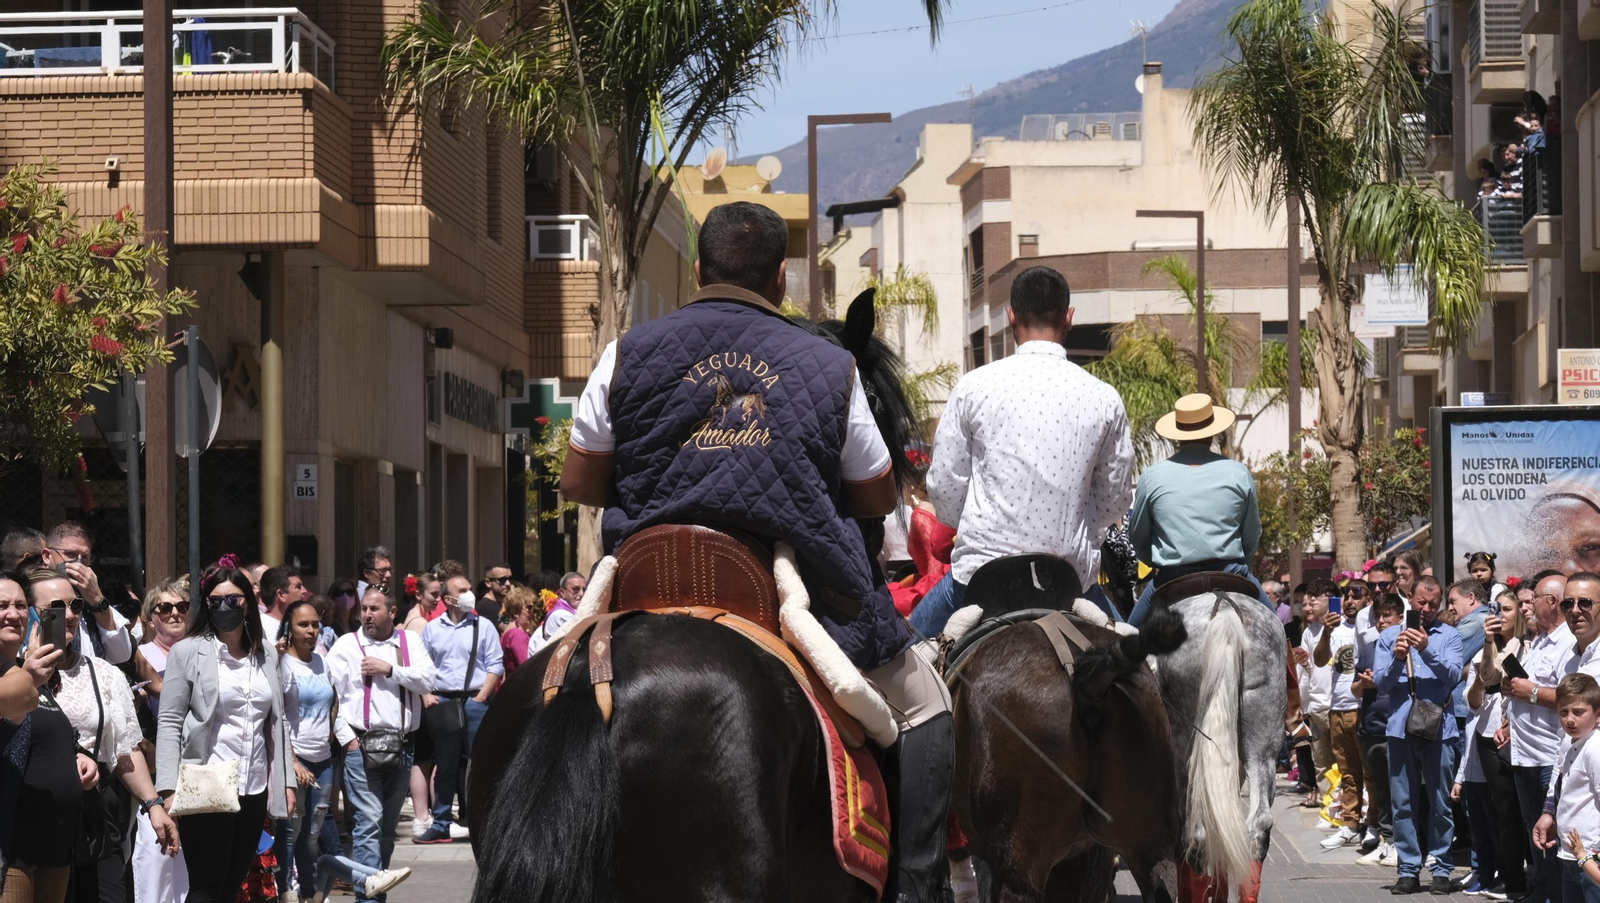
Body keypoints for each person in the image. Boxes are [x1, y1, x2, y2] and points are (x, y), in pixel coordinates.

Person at [559, 201, 955, 902]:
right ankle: (917, 888)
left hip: (645, 581)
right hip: (781, 590)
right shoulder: (830, 366)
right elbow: (872, 492)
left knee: (546, 684)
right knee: (926, 707)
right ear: (779, 279)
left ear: (697, 269)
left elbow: (582, 479)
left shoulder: (628, 350)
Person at [915, 264, 1134, 636]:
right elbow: (1115, 501)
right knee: (1138, 668)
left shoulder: (973, 387)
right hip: (1071, 586)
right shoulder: (1104, 398)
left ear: (1011, 316)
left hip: (977, 585)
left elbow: (946, 494)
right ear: (1068, 318)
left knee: (904, 656)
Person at [24, 567, 180, 903]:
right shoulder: (13, 674)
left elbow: (123, 749)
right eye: (55, 607)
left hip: (96, 819)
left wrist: (153, 804)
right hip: (35, 818)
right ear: (31, 614)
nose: (68, 616)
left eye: (75, 606)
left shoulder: (103, 673)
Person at [156, 564, 296, 903]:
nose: (224, 607)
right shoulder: (188, 652)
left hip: (254, 787)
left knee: (233, 884)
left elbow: (278, 723)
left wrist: (286, 780)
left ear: (248, 603)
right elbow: (170, 720)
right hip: (207, 783)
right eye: (215, 600)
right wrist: (168, 788)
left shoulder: (265, 655)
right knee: (206, 886)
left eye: (233, 599)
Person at [325, 589, 436, 902]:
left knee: (387, 830)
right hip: (361, 746)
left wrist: (390, 670)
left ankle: (376, 889)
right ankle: (367, 899)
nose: (367, 614)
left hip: (402, 746)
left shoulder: (408, 643)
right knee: (368, 824)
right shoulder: (347, 646)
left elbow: (428, 680)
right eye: (364, 609)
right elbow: (331, 697)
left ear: (392, 612)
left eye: (374, 608)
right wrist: (348, 742)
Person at [1126, 393, 1266, 625]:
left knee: (1127, 641)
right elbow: (1252, 535)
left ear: (1176, 436)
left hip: (1173, 577)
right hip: (1230, 572)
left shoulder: (1151, 476)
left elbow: (1138, 537)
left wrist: (1154, 562)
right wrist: (1240, 564)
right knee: (1279, 638)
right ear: (1212, 433)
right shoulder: (1239, 472)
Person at [1375, 574, 1465, 895]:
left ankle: (1440, 867)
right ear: (1409, 600)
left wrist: (1426, 649)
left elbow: (1453, 676)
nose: (1426, 609)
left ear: (1440, 604)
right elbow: (1382, 685)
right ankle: (1409, 869)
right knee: (1403, 804)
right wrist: (1399, 658)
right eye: (1420, 602)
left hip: (1439, 730)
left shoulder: (1450, 636)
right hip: (1400, 730)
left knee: (1440, 801)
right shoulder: (1388, 636)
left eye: (1433, 603)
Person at [0, 569, 74, 903]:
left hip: (53, 846)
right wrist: (28, 678)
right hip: (10, 850)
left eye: (20, 604)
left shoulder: (26, 670)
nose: (13, 614)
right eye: (2, 605)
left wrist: (80, 760)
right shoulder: (24, 676)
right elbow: (16, 710)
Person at [1503, 569, 1573, 903]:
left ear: (1552, 602)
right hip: (1524, 755)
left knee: (1553, 837)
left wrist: (1529, 692)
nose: (1527, 606)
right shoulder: (1539, 640)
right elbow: (1526, 688)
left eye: (1534, 599)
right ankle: (1543, 892)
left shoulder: (1569, 644)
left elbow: (1572, 698)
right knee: (1536, 834)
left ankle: (1556, 895)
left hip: (1549, 756)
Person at [415, 573, 502, 844]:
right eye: (462, 590)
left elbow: (495, 665)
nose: (469, 593)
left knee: (481, 762)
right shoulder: (432, 629)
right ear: (448, 599)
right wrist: (427, 694)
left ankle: (485, 821)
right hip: (444, 701)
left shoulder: (483, 626)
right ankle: (441, 823)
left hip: (475, 700)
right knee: (446, 764)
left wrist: (480, 697)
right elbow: (423, 666)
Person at [129, 579, 192, 903]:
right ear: (150, 616)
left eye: (182, 606)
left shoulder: (199, 649)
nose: (174, 613)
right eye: (164, 608)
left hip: (195, 769)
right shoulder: (142, 654)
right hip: (156, 770)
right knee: (157, 858)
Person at [1473, 588, 1533, 899]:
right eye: (1497, 610)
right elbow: (1486, 678)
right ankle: (1514, 884)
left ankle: (1534, 877)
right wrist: (1487, 642)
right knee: (1505, 812)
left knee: (1529, 812)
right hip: (1491, 736)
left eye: (1508, 609)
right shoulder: (1494, 645)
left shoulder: (1531, 643)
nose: (1501, 616)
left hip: (1525, 735)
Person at [275, 599, 336, 903]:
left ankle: (310, 895)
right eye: (303, 625)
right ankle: (285, 890)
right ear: (289, 627)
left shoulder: (322, 659)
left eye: (315, 624)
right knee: (290, 832)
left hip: (324, 759)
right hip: (295, 760)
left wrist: (332, 734)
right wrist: (292, 761)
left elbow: (333, 698)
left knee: (312, 834)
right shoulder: (283, 664)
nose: (311, 631)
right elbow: (278, 717)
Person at [1533, 674, 1600, 903]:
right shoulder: (1567, 741)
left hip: (1592, 854)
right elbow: (1558, 779)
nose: (1570, 719)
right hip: (1569, 852)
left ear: (1598, 715)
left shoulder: (1595, 748)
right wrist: (1547, 813)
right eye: (1564, 712)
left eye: (1579, 712)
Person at [1319, 582, 1368, 849]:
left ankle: (1372, 826)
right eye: (1346, 595)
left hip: (1361, 708)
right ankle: (1350, 824)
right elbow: (1318, 660)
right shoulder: (1332, 628)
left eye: (1356, 595)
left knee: (1369, 771)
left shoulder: (1369, 627)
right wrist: (1326, 633)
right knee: (1348, 772)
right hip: (1337, 707)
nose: (1350, 600)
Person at [1357, 594, 1404, 867]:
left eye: (1388, 615)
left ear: (1400, 617)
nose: (1382, 620)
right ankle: (1386, 841)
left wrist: (1382, 681)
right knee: (1380, 792)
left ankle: (1402, 844)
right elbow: (1354, 688)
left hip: (1395, 727)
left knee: (1401, 790)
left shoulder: (1405, 644)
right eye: (1378, 616)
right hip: (1371, 728)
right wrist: (1365, 683)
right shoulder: (1369, 647)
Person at [44, 523, 134, 665]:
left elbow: (122, 654)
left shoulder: (92, 600)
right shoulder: (35, 597)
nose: (79, 563)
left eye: (85, 557)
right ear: (47, 556)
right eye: (71, 554)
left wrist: (97, 600)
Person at [1295, 581, 1337, 808]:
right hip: (1317, 705)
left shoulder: (1342, 627)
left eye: (1314, 601)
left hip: (1339, 704)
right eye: (1307, 602)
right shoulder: (1309, 632)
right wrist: (1303, 706)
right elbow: (1307, 672)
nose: (1309, 606)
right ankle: (1330, 805)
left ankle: (1347, 810)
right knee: (1321, 760)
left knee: (1343, 760)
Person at [304, 856, 409, 903]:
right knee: (325, 861)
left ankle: (379, 875)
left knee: (336, 859)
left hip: (304, 890)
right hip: (300, 896)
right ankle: (367, 881)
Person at [529, 572, 584, 655]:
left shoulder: (570, 610)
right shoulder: (561, 615)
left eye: (584, 589)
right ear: (562, 593)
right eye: (575, 589)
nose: (581, 594)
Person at [258, 565, 308, 649]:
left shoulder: (307, 626)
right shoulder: (260, 627)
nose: (304, 591)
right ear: (281, 595)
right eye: (298, 587)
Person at [497, 585, 539, 674]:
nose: (533, 611)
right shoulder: (517, 634)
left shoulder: (512, 628)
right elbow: (527, 666)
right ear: (516, 611)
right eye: (529, 607)